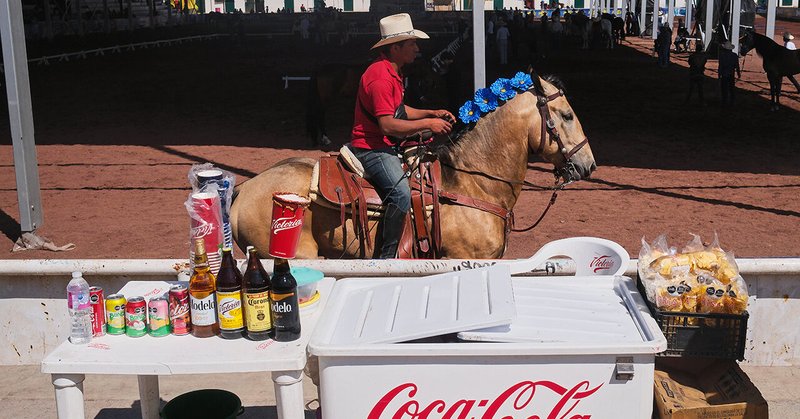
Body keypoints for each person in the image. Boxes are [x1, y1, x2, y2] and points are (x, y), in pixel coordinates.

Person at [348, 13, 455, 259]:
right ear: (395, 48)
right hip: (372, 147)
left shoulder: (393, 72)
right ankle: (386, 257)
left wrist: (430, 111)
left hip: (381, 142)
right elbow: (387, 125)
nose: (417, 48)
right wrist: (428, 123)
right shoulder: (380, 77)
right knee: (401, 194)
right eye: (412, 44)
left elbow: (399, 110)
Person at [718, 40, 741, 106]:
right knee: (731, 89)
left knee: (724, 89)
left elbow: (720, 66)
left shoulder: (722, 55)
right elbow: (737, 66)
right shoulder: (734, 55)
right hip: (731, 74)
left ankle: (724, 102)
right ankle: (732, 102)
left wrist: (719, 75)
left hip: (724, 74)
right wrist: (739, 74)